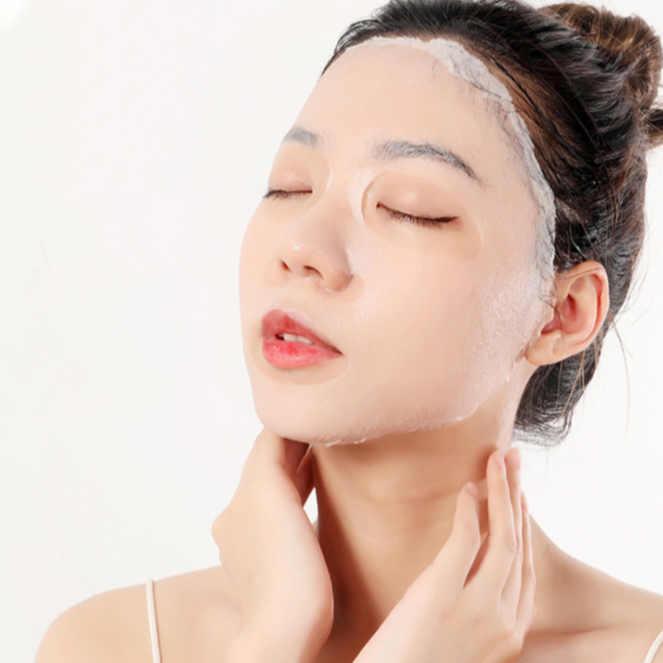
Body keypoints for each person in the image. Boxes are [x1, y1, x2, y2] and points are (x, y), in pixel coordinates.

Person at [34, 0, 663, 661]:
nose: (300, 246)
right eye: (289, 187)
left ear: (562, 312)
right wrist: (274, 636)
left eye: (408, 209)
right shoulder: (110, 644)